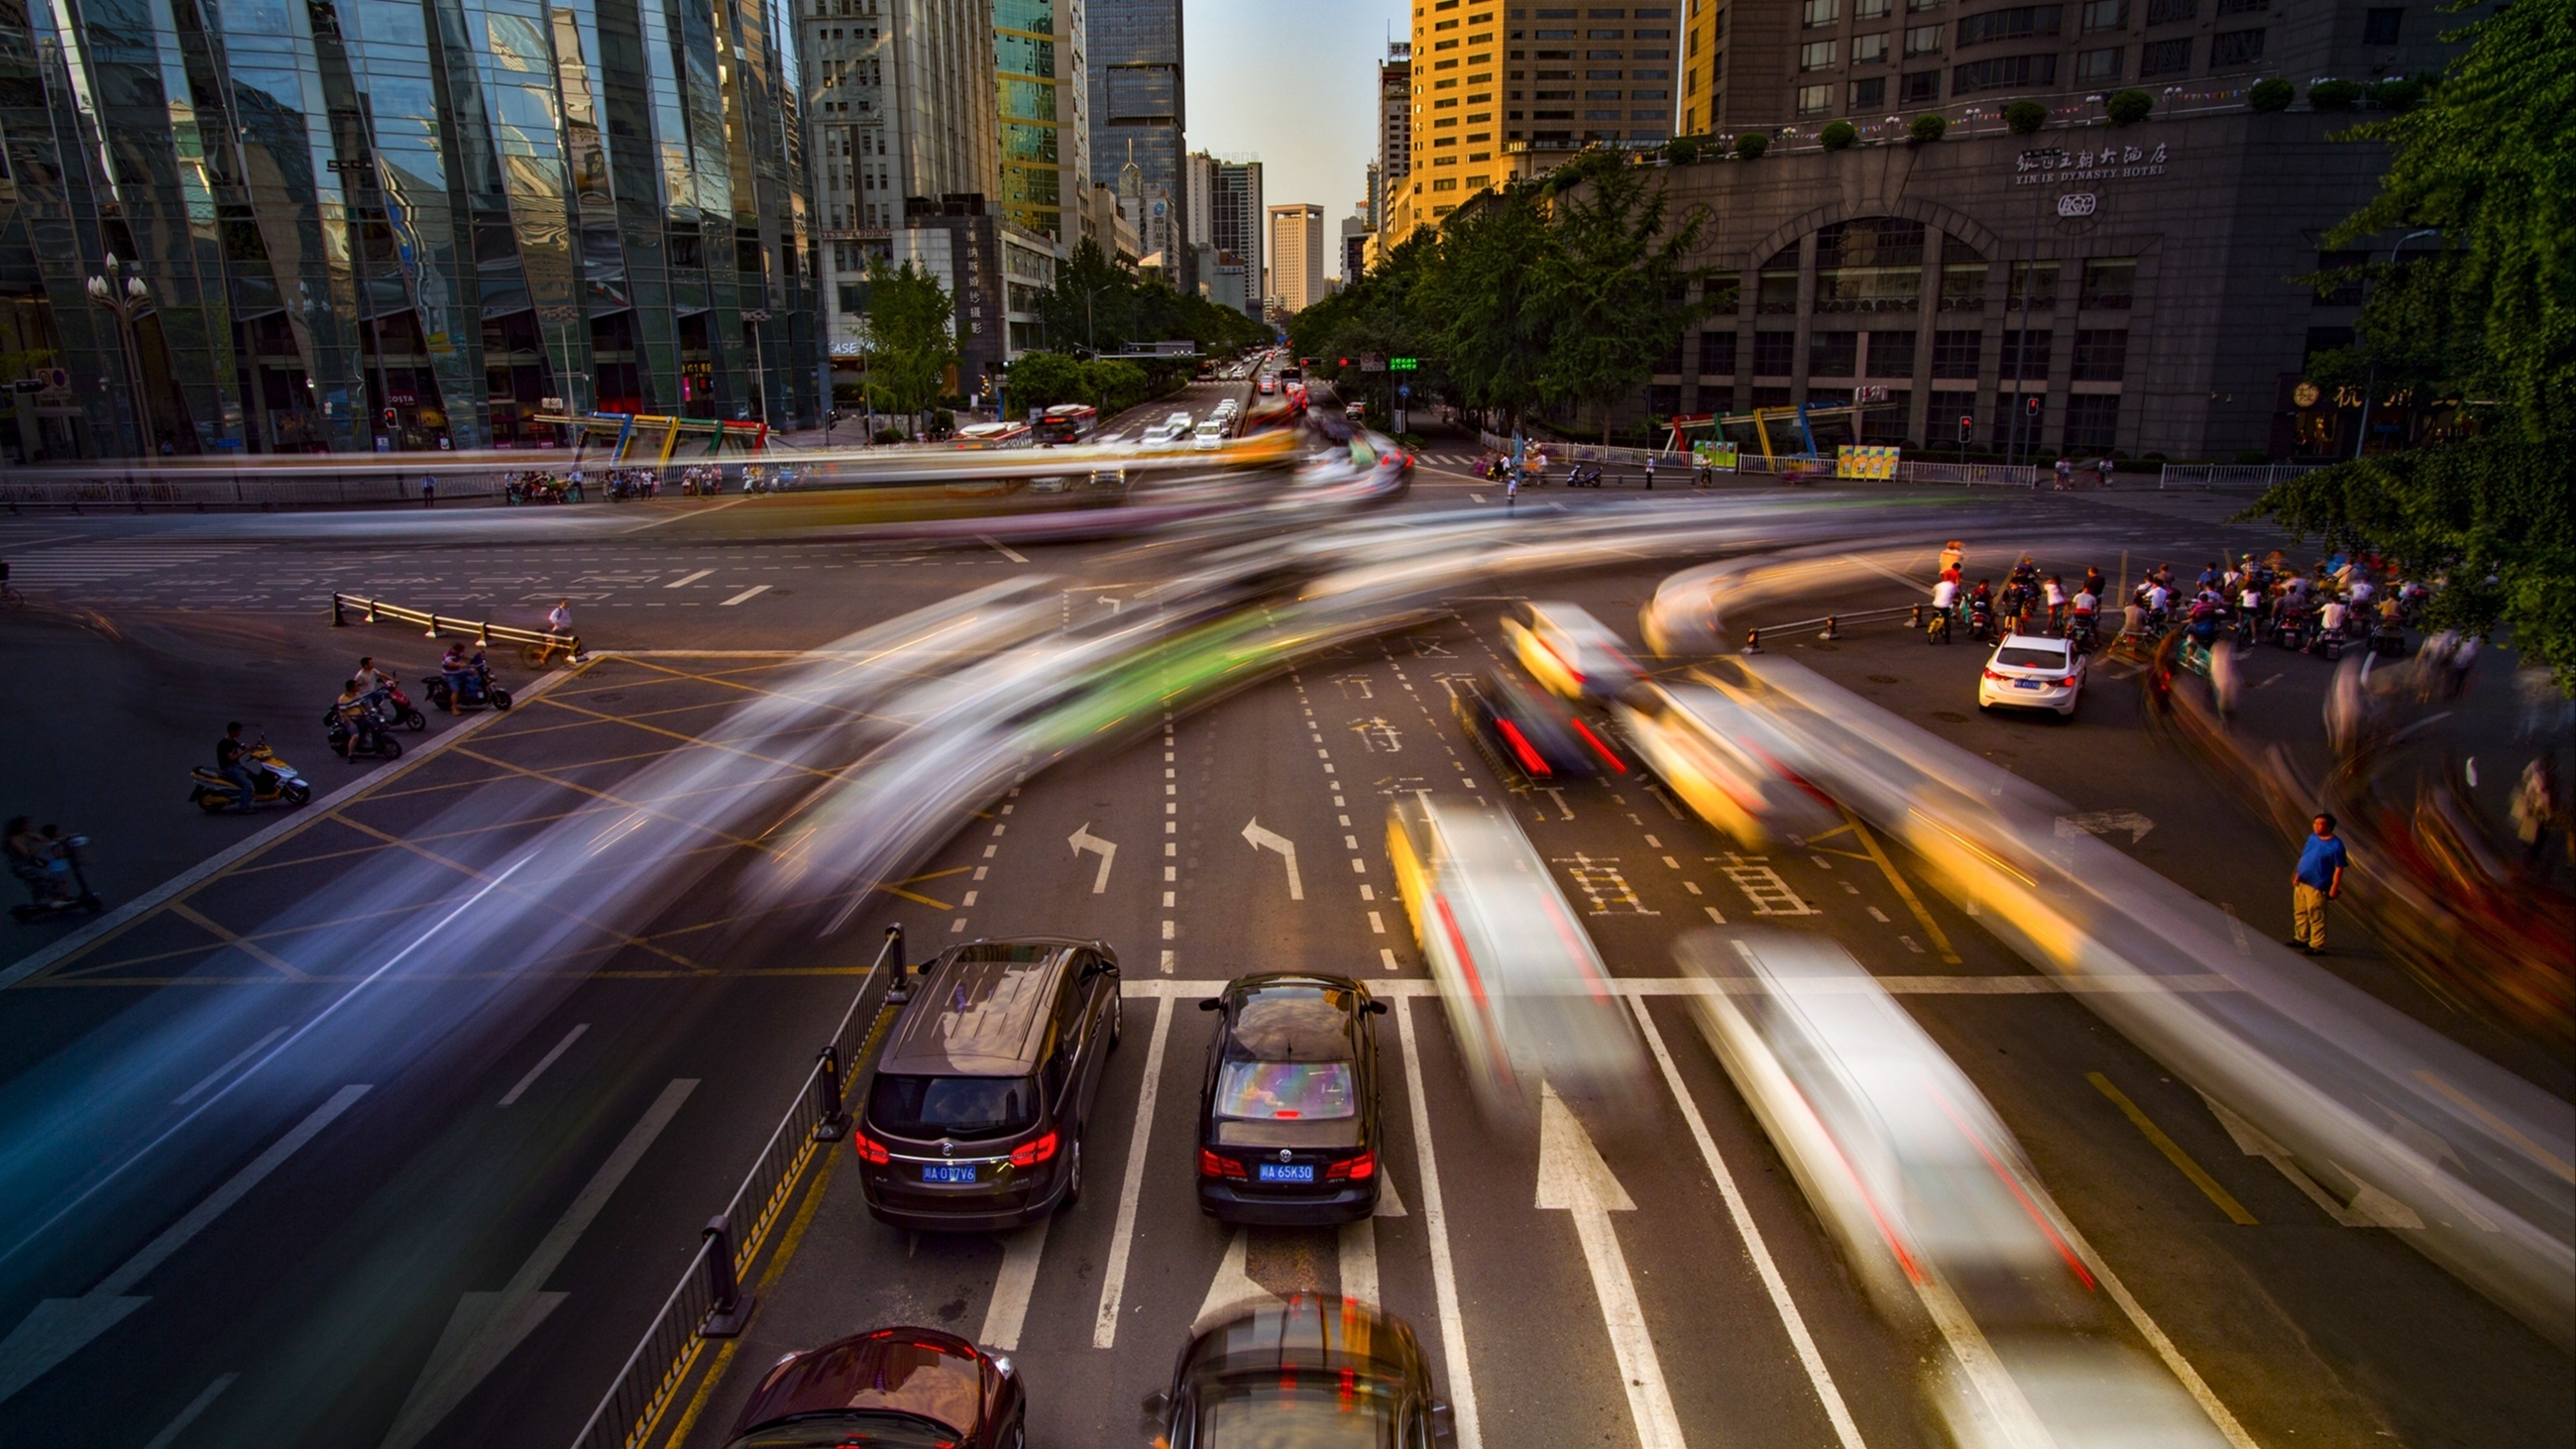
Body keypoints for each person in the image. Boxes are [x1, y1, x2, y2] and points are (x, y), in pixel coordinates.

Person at [2290, 814, 2348, 953]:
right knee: (2300, 911)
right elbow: (2305, 856)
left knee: (2316, 915)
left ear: (2329, 827)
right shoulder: (2312, 838)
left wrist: (2334, 887)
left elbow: (2339, 868)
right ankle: (2301, 937)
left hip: (2318, 884)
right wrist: (2297, 874)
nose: (2316, 826)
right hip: (2303, 880)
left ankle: (2316, 945)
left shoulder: (2337, 846)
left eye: (2320, 824)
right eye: (2315, 823)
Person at [216, 722, 257, 812]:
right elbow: (232, 757)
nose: (239, 733)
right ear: (232, 732)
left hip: (236, 766)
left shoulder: (231, 741)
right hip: (229, 768)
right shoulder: (225, 743)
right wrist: (246, 750)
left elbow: (242, 747)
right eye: (238, 731)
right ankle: (243, 807)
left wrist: (255, 749)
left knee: (254, 776)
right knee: (246, 784)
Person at [333, 678, 373, 761]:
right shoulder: (343, 699)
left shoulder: (356, 695)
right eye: (356, 686)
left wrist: (366, 713)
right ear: (351, 688)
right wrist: (350, 722)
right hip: (349, 719)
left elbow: (359, 705)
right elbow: (342, 712)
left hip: (359, 717)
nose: (358, 687)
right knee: (355, 736)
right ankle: (350, 755)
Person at [440, 641, 473, 715]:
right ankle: (454, 708)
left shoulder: (458, 653)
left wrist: (475, 658)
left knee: (473, 671)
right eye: (461, 651)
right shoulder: (447, 656)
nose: (461, 652)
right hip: (449, 675)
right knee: (455, 690)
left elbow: (465, 656)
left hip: (458, 673)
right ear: (456, 650)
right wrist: (459, 665)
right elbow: (450, 663)